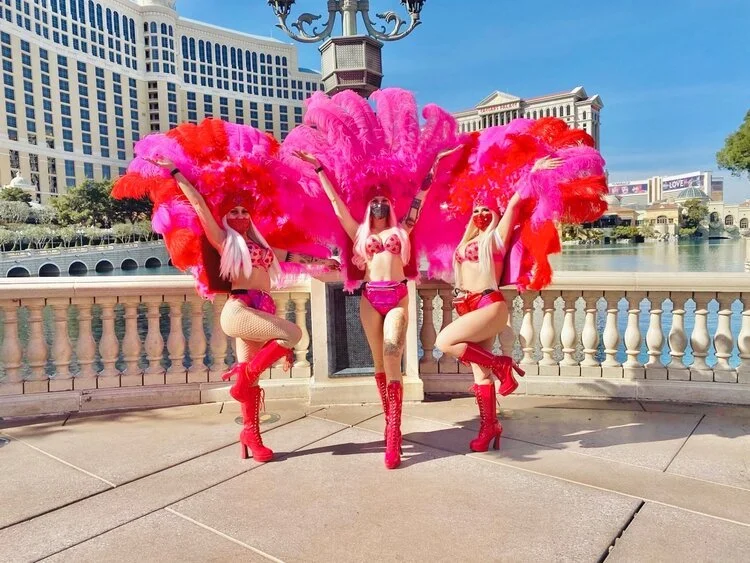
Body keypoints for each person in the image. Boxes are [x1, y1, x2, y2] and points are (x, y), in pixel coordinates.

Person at [145, 155, 339, 462]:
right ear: (225, 217)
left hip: (260, 307)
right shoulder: (225, 241)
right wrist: (174, 171)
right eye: (233, 212)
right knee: (293, 333)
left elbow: (294, 257)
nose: (239, 215)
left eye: (243, 211)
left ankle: (251, 434)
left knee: (255, 384)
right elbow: (198, 205)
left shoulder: (262, 246)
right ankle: (242, 380)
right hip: (238, 310)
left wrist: (323, 263)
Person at [293, 147, 458, 469]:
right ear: (369, 208)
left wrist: (435, 164)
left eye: (384, 201)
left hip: (397, 296)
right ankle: (389, 423)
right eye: (374, 201)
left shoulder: (403, 230)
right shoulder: (360, 232)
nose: (380, 204)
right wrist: (319, 168)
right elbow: (336, 205)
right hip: (370, 297)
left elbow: (420, 198)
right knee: (379, 365)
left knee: (393, 351)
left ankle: (394, 434)